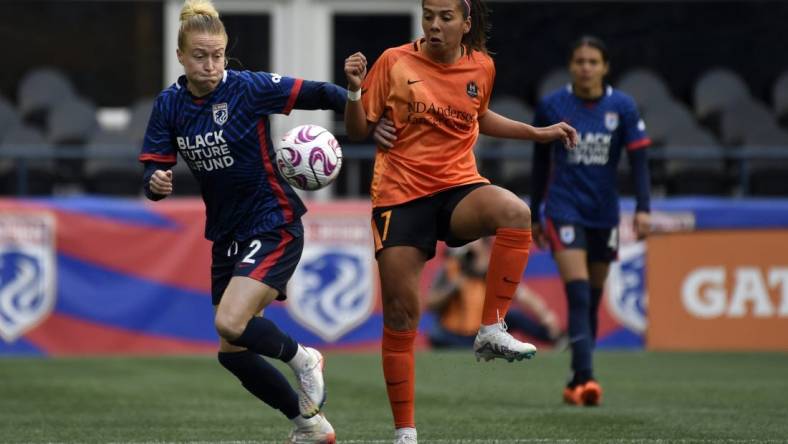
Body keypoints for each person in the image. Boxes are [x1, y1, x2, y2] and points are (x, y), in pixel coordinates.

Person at [343, 0, 578, 441]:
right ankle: (405, 432)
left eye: (445, 17)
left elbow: (479, 115)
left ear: (465, 24)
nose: (434, 24)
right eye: (428, 15)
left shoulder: (482, 67)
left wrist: (536, 132)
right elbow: (359, 129)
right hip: (401, 197)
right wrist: (355, 91)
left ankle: (491, 328)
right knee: (400, 316)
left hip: (457, 186)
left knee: (515, 213)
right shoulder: (393, 61)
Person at [139, 1, 346, 442]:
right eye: (200, 55)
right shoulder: (170, 105)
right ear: (180, 55)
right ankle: (309, 424)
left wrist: (364, 103)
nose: (211, 64)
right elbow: (153, 170)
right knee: (232, 353)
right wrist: (154, 182)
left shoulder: (248, 88)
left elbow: (321, 93)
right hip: (228, 233)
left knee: (230, 323)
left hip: (274, 219)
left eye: (217, 55)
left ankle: (304, 359)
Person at [530, 36, 651, 407]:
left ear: (605, 67)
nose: (586, 67)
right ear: (571, 65)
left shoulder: (623, 107)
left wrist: (644, 208)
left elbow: (640, 162)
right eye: (580, 61)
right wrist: (537, 211)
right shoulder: (553, 106)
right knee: (579, 293)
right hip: (565, 208)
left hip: (604, 212)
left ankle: (575, 378)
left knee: (593, 297)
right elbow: (539, 164)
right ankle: (587, 377)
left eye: (593, 62)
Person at [427, 239, 564, 349]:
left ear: (485, 248)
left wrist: (546, 316)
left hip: (482, 331)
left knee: (513, 316)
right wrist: (454, 287)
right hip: (454, 333)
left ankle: (557, 340)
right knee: (436, 334)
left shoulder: (493, 272)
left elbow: (522, 295)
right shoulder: (451, 270)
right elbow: (431, 303)